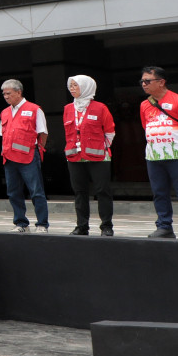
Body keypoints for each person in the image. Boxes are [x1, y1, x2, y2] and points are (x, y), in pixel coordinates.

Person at [138, 66, 178, 239]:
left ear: (161, 82)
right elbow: (146, 127)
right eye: (142, 81)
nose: (144, 84)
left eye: (147, 81)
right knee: (159, 192)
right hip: (154, 156)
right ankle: (164, 226)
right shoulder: (144, 105)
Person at [64, 75, 115, 236]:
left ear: (86, 87)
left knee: (102, 191)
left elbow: (109, 132)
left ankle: (106, 226)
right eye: (70, 85)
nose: (72, 88)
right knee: (79, 192)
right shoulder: (68, 109)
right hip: (75, 157)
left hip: (98, 156)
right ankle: (82, 226)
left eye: (75, 85)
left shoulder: (100, 108)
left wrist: (100, 147)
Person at [0, 79, 49, 233]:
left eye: (9, 93)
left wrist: (37, 150)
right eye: (4, 94)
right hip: (9, 157)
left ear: (18, 92)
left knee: (36, 190)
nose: (6, 96)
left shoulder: (34, 109)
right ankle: (21, 223)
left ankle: (42, 224)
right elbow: (3, 135)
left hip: (28, 156)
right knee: (13, 191)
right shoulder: (4, 112)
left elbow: (43, 133)